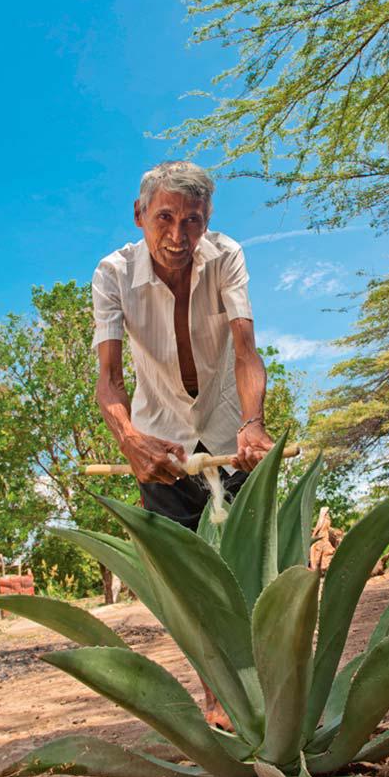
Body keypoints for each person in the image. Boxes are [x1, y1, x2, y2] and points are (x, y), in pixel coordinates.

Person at [92, 160, 274, 725]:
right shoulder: (112, 274)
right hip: (160, 447)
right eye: (165, 217)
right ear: (140, 214)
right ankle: (217, 699)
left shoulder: (227, 258)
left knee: (252, 575)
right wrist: (129, 439)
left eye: (192, 220)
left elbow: (245, 350)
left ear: (208, 218)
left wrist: (253, 423)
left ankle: (266, 693)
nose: (178, 236)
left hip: (226, 434)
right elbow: (109, 378)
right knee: (189, 588)